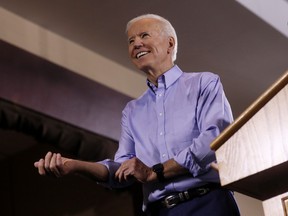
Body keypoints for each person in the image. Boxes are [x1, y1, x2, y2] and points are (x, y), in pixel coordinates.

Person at [34, 14, 240, 216]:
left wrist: (156, 171)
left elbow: (214, 141)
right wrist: (75, 166)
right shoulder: (132, 111)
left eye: (144, 36)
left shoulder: (204, 83)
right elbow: (122, 170)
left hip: (208, 204)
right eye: (131, 41)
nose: (136, 44)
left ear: (170, 44)